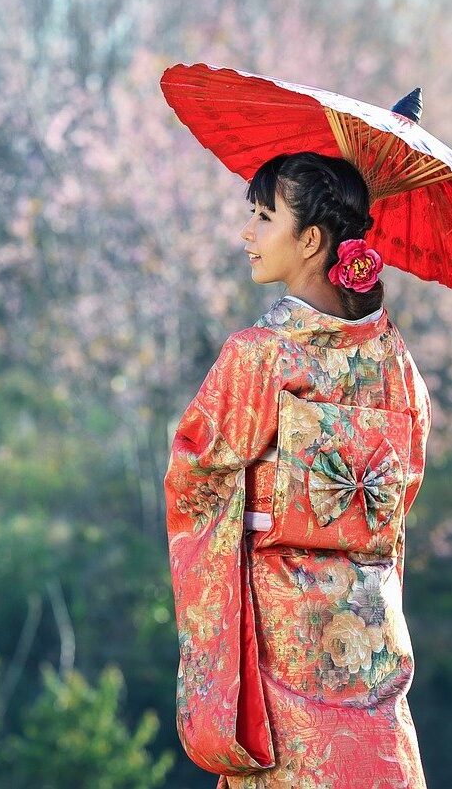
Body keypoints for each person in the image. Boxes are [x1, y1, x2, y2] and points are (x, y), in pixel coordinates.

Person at [164, 151, 431, 787]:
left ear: (311, 240)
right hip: (366, 632)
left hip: (283, 631)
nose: (247, 234)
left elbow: (194, 477)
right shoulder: (394, 363)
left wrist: (261, 510)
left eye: (263, 216)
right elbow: (401, 488)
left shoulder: (259, 357)